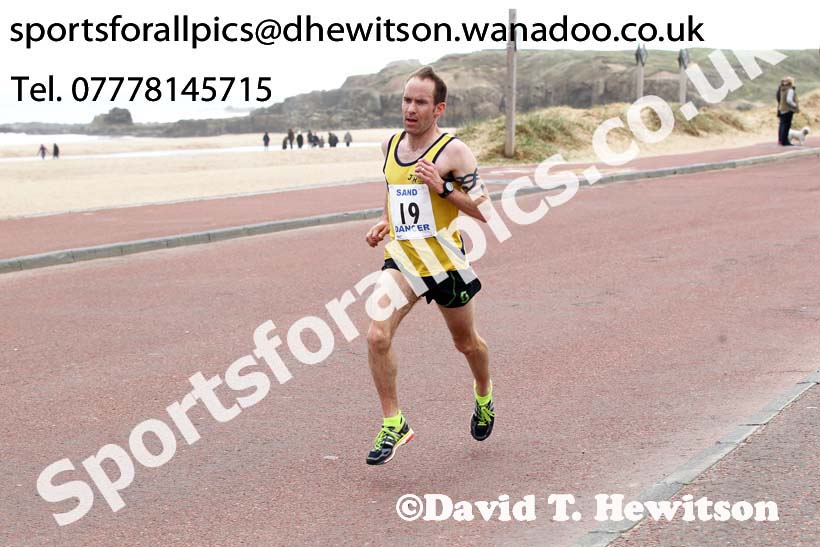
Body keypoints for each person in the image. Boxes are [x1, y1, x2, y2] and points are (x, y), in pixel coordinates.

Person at [363, 66, 493, 465]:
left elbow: (484, 209)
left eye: (420, 102)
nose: (410, 109)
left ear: (439, 109)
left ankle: (484, 393)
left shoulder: (453, 152)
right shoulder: (389, 146)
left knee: (465, 343)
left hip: (445, 262)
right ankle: (394, 422)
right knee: (376, 335)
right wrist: (386, 222)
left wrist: (443, 187)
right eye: (406, 100)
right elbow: (395, 192)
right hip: (403, 259)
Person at [778, 76, 799, 146]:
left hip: (782, 109)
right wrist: (795, 105)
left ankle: (781, 140)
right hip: (788, 109)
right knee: (786, 126)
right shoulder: (790, 90)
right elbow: (789, 100)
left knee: (782, 125)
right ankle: (785, 141)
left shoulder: (782, 89)